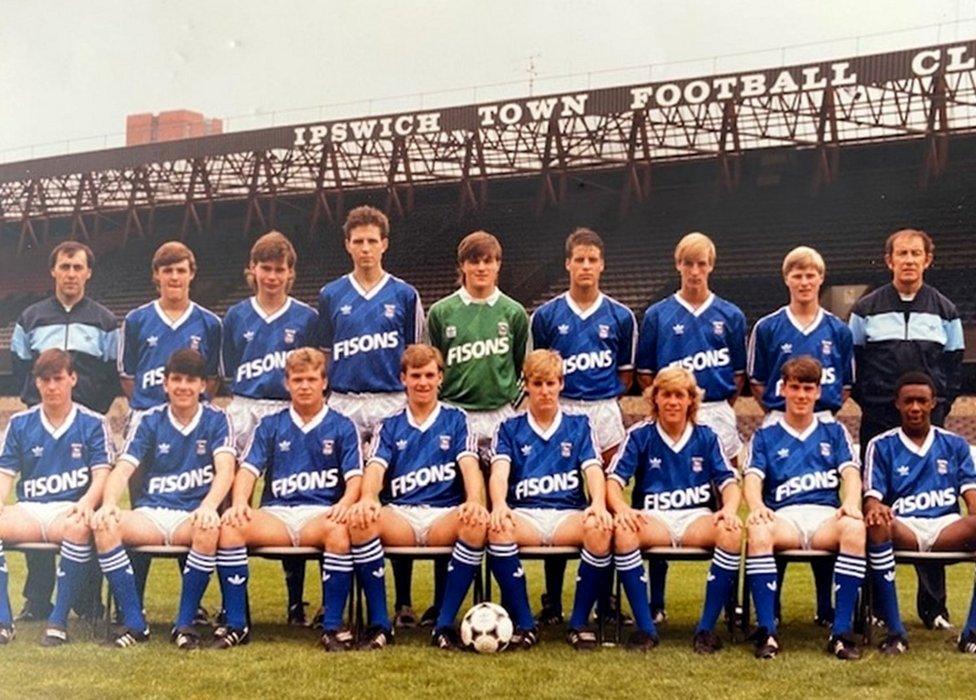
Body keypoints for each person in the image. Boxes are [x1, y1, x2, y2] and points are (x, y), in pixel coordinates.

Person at [850, 228, 965, 630]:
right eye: (902, 253)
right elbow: (856, 362)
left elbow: (953, 365)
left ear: (928, 259)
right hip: (880, 421)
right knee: (876, 509)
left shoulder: (946, 311)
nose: (909, 260)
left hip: (927, 423)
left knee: (932, 504)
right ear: (889, 260)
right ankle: (877, 606)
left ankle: (933, 608)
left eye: (917, 253)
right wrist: (875, 406)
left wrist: (939, 410)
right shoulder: (865, 308)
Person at [215, 347, 365, 651]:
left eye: (311, 379)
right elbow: (248, 470)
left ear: (324, 382)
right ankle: (236, 623)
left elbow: (355, 479)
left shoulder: (343, 425)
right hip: (278, 514)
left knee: (339, 532)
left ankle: (333, 626)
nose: (305, 386)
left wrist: (346, 503)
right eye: (298, 379)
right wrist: (241, 502)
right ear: (287, 383)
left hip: (321, 514)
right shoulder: (271, 424)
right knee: (230, 528)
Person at [89, 349, 236, 648]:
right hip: (152, 513)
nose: (183, 386)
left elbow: (225, 471)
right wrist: (109, 504)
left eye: (191, 380)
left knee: (209, 528)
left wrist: (209, 507)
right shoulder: (149, 420)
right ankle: (134, 623)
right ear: (165, 384)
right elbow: (123, 468)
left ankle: (184, 625)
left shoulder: (218, 419)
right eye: (176, 379)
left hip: (191, 514)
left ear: (203, 386)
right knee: (105, 525)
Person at [635, 232, 746, 625]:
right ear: (677, 265)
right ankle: (656, 600)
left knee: (722, 501)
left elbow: (737, 377)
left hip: (715, 410)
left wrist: (706, 407)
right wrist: (670, 406)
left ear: (711, 266)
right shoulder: (658, 315)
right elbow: (645, 372)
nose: (695, 271)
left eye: (702, 264)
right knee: (658, 492)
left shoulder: (731, 315)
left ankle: (729, 601)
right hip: (668, 411)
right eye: (688, 263)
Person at [348, 344, 488, 650]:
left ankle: (444, 624)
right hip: (402, 514)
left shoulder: (456, 419)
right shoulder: (390, 423)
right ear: (403, 379)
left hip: (444, 514)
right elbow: (375, 467)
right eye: (415, 375)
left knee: (476, 525)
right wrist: (369, 497)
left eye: (429, 375)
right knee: (361, 522)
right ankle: (380, 624)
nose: (422, 382)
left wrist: (475, 500)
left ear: (441, 378)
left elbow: (469, 465)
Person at [421, 230, 529, 627]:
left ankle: (501, 601)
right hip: (454, 417)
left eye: (488, 261)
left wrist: (510, 410)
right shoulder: (442, 313)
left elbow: (523, 370)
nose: (481, 267)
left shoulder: (514, 313)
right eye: (474, 261)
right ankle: (440, 599)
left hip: (499, 417)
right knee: (450, 503)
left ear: (498, 265)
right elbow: (432, 364)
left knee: (501, 507)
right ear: (462, 266)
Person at [530, 227, 636, 625]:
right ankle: (553, 600)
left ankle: (605, 598)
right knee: (559, 499)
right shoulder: (546, 315)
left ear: (602, 265)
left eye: (593, 259)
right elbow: (540, 368)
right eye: (579, 259)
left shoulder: (621, 316)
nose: (586, 266)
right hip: (562, 410)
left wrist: (600, 398)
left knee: (606, 502)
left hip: (604, 412)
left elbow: (626, 376)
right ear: (568, 264)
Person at [9, 241, 118, 622]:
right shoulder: (30, 318)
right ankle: (37, 600)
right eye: (65, 267)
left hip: (85, 427)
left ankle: (86, 600)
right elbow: (21, 367)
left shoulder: (105, 320)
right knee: (37, 502)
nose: (71, 273)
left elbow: (109, 374)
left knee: (82, 511)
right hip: (42, 425)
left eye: (78, 267)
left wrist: (91, 413)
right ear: (53, 271)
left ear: (88, 272)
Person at [748, 246, 855, 626]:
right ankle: (768, 607)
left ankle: (826, 608)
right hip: (779, 419)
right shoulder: (768, 326)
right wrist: (783, 410)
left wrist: (819, 409)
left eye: (811, 275)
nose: (805, 281)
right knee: (779, 506)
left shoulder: (838, 329)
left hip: (822, 418)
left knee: (824, 502)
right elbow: (757, 381)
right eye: (798, 274)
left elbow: (844, 385)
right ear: (787, 278)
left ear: (821, 279)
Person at [118, 240, 223, 610]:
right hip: (148, 420)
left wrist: (187, 405)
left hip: (193, 420)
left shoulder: (210, 322)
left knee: (193, 503)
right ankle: (135, 600)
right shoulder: (135, 320)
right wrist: (151, 407)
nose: (174, 277)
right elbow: (128, 377)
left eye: (181, 270)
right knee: (143, 506)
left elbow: (211, 379)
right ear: (156, 276)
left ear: (191, 274)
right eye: (167, 270)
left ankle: (193, 603)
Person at [607, 366, 742, 653]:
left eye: (679, 395)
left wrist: (729, 509)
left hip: (696, 517)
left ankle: (706, 630)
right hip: (654, 518)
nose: (672, 402)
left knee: (730, 532)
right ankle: (646, 629)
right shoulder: (639, 435)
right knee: (623, 532)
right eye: (665, 394)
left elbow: (729, 482)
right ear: (654, 398)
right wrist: (621, 508)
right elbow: (613, 480)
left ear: (691, 400)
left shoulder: (706, 436)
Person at [222, 231, 319, 626]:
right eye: (265, 268)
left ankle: (295, 602)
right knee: (233, 500)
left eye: (279, 270)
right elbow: (229, 368)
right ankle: (235, 601)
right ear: (253, 270)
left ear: (290, 273)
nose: (272, 276)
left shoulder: (307, 318)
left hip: (285, 409)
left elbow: (311, 368)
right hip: (245, 407)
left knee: (289, 496)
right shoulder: (235, 316)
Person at [487, 349, 613, 650]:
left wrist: (597, 503)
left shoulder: (579, 424)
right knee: (498, 528)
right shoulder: (508, 427)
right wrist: (500, 504)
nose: (545, 391)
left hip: (567, 513)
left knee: (600, 529)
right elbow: (499, 472)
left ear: (561, 384)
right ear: (526, 385)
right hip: (525, 514)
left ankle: (579, 622)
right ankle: (525, 622)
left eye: (551, 384)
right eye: (538, 384)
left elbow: (593, 469)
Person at [743, 356, 865, 660]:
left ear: (818, 392)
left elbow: (850, 473)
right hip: (785, 517)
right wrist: (756, 505)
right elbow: (752, 478)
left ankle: (841, 632)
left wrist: (850, 503)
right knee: (758, 531)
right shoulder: (766, 435)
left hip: (825, 516)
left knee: (854, 528)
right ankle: (767, 631)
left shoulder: (834, 432)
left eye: (808, 388)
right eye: (794, 387)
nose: (801, 395)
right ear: (782, 389)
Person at [0, 349, 113, 646]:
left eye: (58, 379)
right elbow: (5, 475)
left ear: (72, 379)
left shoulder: (93, 422)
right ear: (36, 383)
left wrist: (87, 503)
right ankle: (3, 621)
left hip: (70, 508)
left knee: (77, 527)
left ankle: (57, 621)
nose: (52, 386)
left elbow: (102, 475)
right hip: (31, 509)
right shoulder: (21, 423)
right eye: (45, 380)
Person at [863, 371, 976, 655]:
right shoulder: (881, 445)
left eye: (921, 401)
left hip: (945, 528)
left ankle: (972, 632)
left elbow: (972, 497)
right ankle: (895, 631)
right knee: (876, 524)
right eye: (909, 401)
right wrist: (877, 508)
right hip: (905, 527)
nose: (915, 407)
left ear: (933, 403)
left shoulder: (955, 444)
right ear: (897, 404)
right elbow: (871, 499)